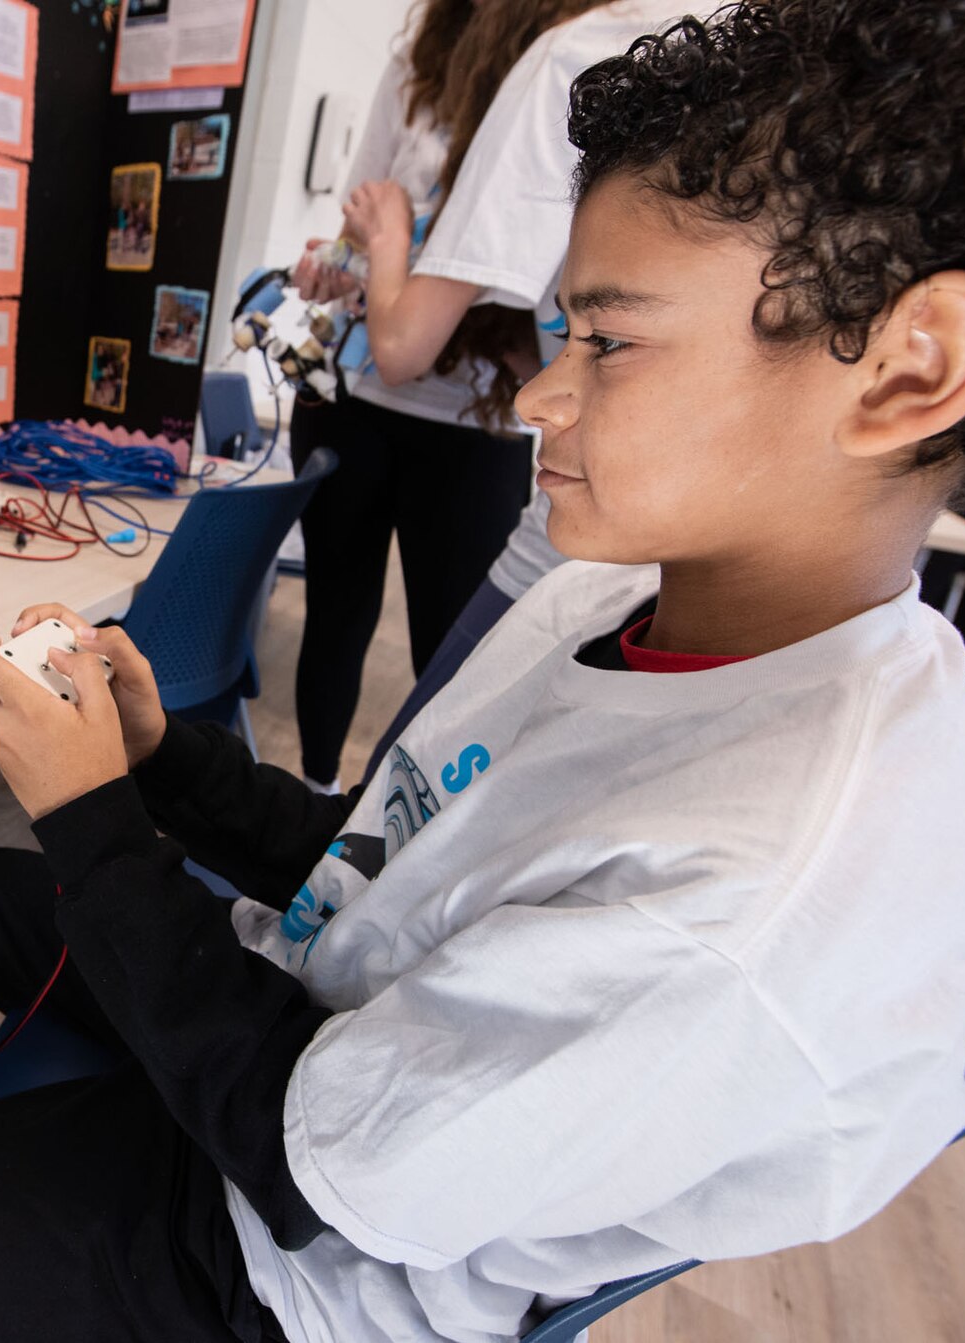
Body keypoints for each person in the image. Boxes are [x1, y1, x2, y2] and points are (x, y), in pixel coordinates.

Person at [0, 3, 965, 1342]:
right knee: (0, 895)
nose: (545, 392)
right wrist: (164, 760)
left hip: (284, 1252)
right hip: (329, 1026)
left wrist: (98, 821)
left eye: (610, 341)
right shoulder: (619, 597)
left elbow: (308, 1163)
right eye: (564, 332)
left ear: (911, 366)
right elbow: (401, 847)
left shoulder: (748, 907)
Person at [285, 0, 609, 794]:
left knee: (456, 652)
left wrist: (395, 253)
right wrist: (345, 258)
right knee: (336, 617)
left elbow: (413, 331)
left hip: (475, 423)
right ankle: (318, 794)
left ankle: (415, 834)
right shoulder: (418, 66)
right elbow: (364, 225)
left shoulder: (565, 67)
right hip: (355, 403)